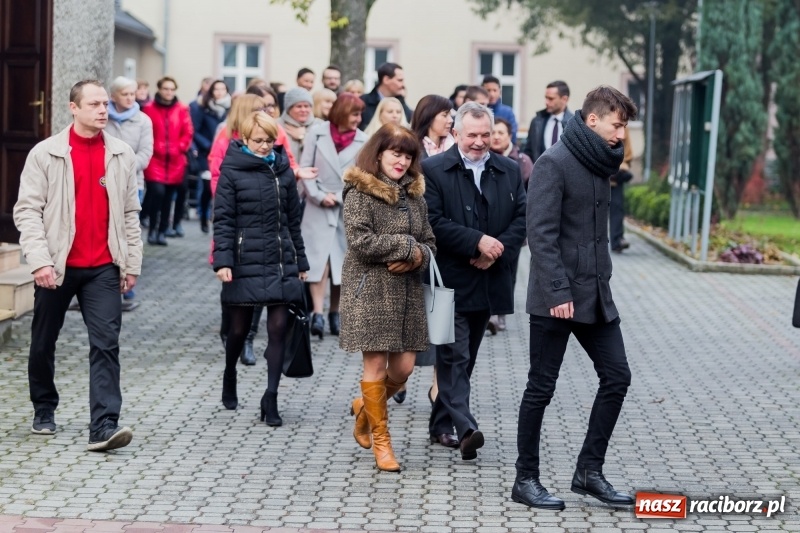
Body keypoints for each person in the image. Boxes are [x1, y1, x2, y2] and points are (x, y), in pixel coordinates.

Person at [512, 86, 637, 511]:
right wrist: (558, 291)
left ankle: (588, 471)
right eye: (617, 125)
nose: (622, 134)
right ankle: (525, 478)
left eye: (624, 126)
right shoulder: (554, 163)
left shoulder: (600, 162)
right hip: (556, 298)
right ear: (593, 120)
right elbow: (540, 234)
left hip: (596, 294)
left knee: (617, 376)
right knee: (541, 388)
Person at [13, 79, 143, 451]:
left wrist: (131, 263)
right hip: (56, 265)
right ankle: (44, 407)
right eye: (94, 104)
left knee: (106, 344)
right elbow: (27, 211)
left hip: (103, 266)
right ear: (74, 108)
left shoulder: (120, 154)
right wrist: (39, 261)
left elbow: (131, 213)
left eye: (105, 104)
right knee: (42, 342)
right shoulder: (46, 153)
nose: (103, 110)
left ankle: (103, 425)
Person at [423, 102, 526, 459]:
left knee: (465, 359)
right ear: (455, 134)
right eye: (472, 135)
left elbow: (522, 218)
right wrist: (475, 241)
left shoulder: (509, 170)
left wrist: (494, 250)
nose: (480, 142)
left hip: (489, 279)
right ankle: (465, 427)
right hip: (449, 281)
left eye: (486, 135)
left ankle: (439, 424)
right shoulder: (433, 170)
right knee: (453, 355)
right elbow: (432, 221)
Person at [340, 123, 436, 472]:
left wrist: (418, 255)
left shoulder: (415, 195)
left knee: (405, 368)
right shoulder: (359, 191)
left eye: (408, 155)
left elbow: (429, 241)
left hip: (407, 292)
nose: (402, 161)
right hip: (370, 291)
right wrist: (406, 246)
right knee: (376, 366)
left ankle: (366, 407)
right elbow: (360, 242)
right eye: (396, 153)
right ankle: (382, 442)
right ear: (378, 153)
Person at [213, 111, 308, 426]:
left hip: (281, 259)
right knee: (238, 330)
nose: (265, 146)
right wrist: (223, 261)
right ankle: (230, 372)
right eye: (258, 140)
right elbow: (224, 219)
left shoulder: (282, 169)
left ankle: (271, 397)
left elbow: (293, 220)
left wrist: (302, 262)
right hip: (244, 261)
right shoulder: (232, 169)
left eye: (270, 140)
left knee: (279, 328)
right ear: (243, 139)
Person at [299, 93, 367, 338]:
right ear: (341, 112)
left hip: (345, 209)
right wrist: (318, 196)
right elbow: (305, 169)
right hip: (317, 208)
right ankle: (317, 313)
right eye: (354, 114)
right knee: (319, 262)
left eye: (360, 114)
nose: (359, 119)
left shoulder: (363, 140)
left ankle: (335, 313)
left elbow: (363, 178)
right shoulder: (316, 134)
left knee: (342, 264)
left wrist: (339, 198)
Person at [105, 76, 153, 312]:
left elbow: (145, 153)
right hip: (103, 182)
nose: (130, 98)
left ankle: (127, 282)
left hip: (134, 183)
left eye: (133, 93)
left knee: (126, 230)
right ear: (113, 96)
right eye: (125, 94)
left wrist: (122, 168)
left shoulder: (143, 120)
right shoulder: (103, 118)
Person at [486, 116, 533, 333]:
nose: (496, 137)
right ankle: (488, 312)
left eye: (500, 133)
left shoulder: (522, 162)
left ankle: (501, 313)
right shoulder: (481, 160)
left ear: (510, 137)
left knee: (508, 270)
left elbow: (529, 196)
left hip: (512, 229)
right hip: (486, 228)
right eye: (493, 132)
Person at [142, 76, 193, 245]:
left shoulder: (182, 109)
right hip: (155, 159)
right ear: (159, 89)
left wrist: (180, 147)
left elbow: (187, 131)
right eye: (165, 89)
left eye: (172, 89)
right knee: (157, 193)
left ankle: (163, 231)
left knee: (168, 197)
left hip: (175, 161)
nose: (169, 92)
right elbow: (145, 130)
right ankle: (152, 230)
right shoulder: (148, 108)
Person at [190, 79, 230, 234]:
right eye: (216, 89)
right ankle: (204, 217)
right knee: (207, 186)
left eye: (223, 89)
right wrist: (207, 145)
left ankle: (217, 216)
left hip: (225, 152)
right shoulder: (203, 108)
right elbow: (195, 130)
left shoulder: (230, 108)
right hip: (206, 153)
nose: (220, 92)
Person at [522, 80, 573, 163]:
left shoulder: (574, 124)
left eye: (551, 99)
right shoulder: (536, 122)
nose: (546, 102)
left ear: (564, 99)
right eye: (546, 98)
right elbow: (528, 151)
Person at [359, 63, 413, 129]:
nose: (402, 85)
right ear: (386, 80)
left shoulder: (403, 105)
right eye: (399, 80)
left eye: (398, 112)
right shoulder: (362, 103)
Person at [278, 87, 323, 165]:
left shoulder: (320, 125)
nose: (303, 110)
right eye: (299, 106)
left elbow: (322, 155)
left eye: (306, 106)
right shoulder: (277, 125)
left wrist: (303, 137)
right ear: (289, 109)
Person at [411, 94, 454, 161]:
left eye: (450, 115)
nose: (451, 120)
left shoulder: (454, 145)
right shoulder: (412, 147)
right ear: (428, 117)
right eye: (445, 115)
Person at [610, 134, 634, 253]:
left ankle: (617, 240)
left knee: (617, 207)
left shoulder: (623, 126)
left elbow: (628, 152)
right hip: (596, 177)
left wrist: (620, 166)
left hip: (615, 178)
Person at [482, 75, 518, 144]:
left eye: (495, 90)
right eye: (488, 90)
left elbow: (513, 136)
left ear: (500, 92)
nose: (492, 94)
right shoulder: (479, 111)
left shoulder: (508, 112)